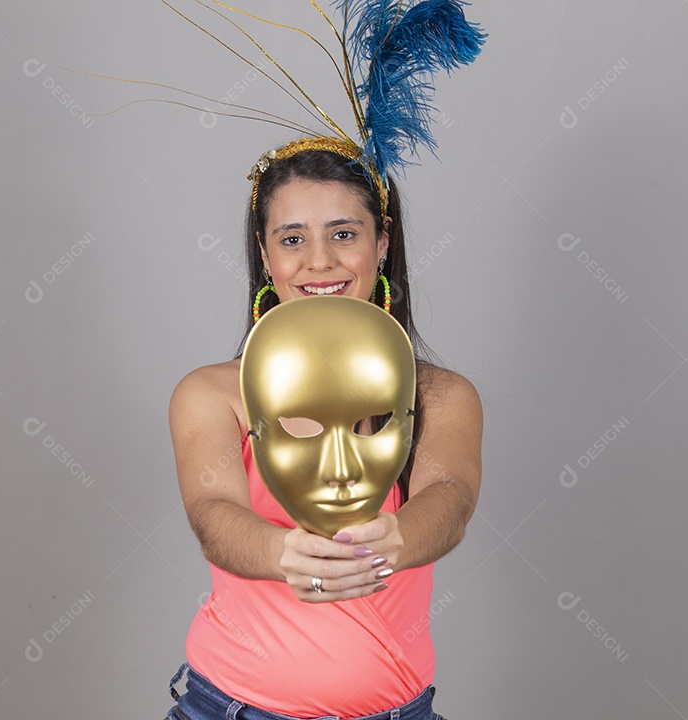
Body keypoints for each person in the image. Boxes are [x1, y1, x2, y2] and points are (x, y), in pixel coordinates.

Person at [166, 140, 483, 720]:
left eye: (343, 233)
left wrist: (396, 539)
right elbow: (212, 513)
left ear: (381, 242)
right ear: (265, 254)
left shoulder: (440, 395)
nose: (319, 261)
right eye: (292, 239)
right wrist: (280, 552)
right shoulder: (212, 394)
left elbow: (451, 496)